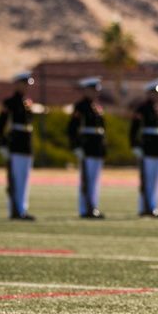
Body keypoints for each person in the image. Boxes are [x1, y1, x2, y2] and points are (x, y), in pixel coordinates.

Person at [0, 71, 37, 221]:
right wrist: (1, 144)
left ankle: (22, 209)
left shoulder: (27, 102)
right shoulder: (10, 102)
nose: (26, 87)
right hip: (15, 144)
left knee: (24, 179)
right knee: (15, 179)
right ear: (18, 83)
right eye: (24, 83)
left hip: (25, 144)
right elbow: (1, 124)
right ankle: (15, 209)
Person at [68, 77, 106, 219]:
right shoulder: (81, 107)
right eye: (94, 90)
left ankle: (93, 207)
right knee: (87, 179)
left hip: (96, 147)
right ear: (87, 90)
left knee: (94, 180)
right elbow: (72, 128)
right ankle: (85, 209)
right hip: (87, 146)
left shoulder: (96, 107)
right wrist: (76, 146)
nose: (96, 93)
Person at [130, 79, 158, 218]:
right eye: (154, 93)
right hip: (147, 147)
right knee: (147, 179)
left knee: (155, 179)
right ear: (148, 93)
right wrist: (135, 145)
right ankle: (144, 207)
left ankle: (152, 206)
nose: (157, 96)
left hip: (157, 148)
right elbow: (134, 129)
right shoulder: (142, 109)